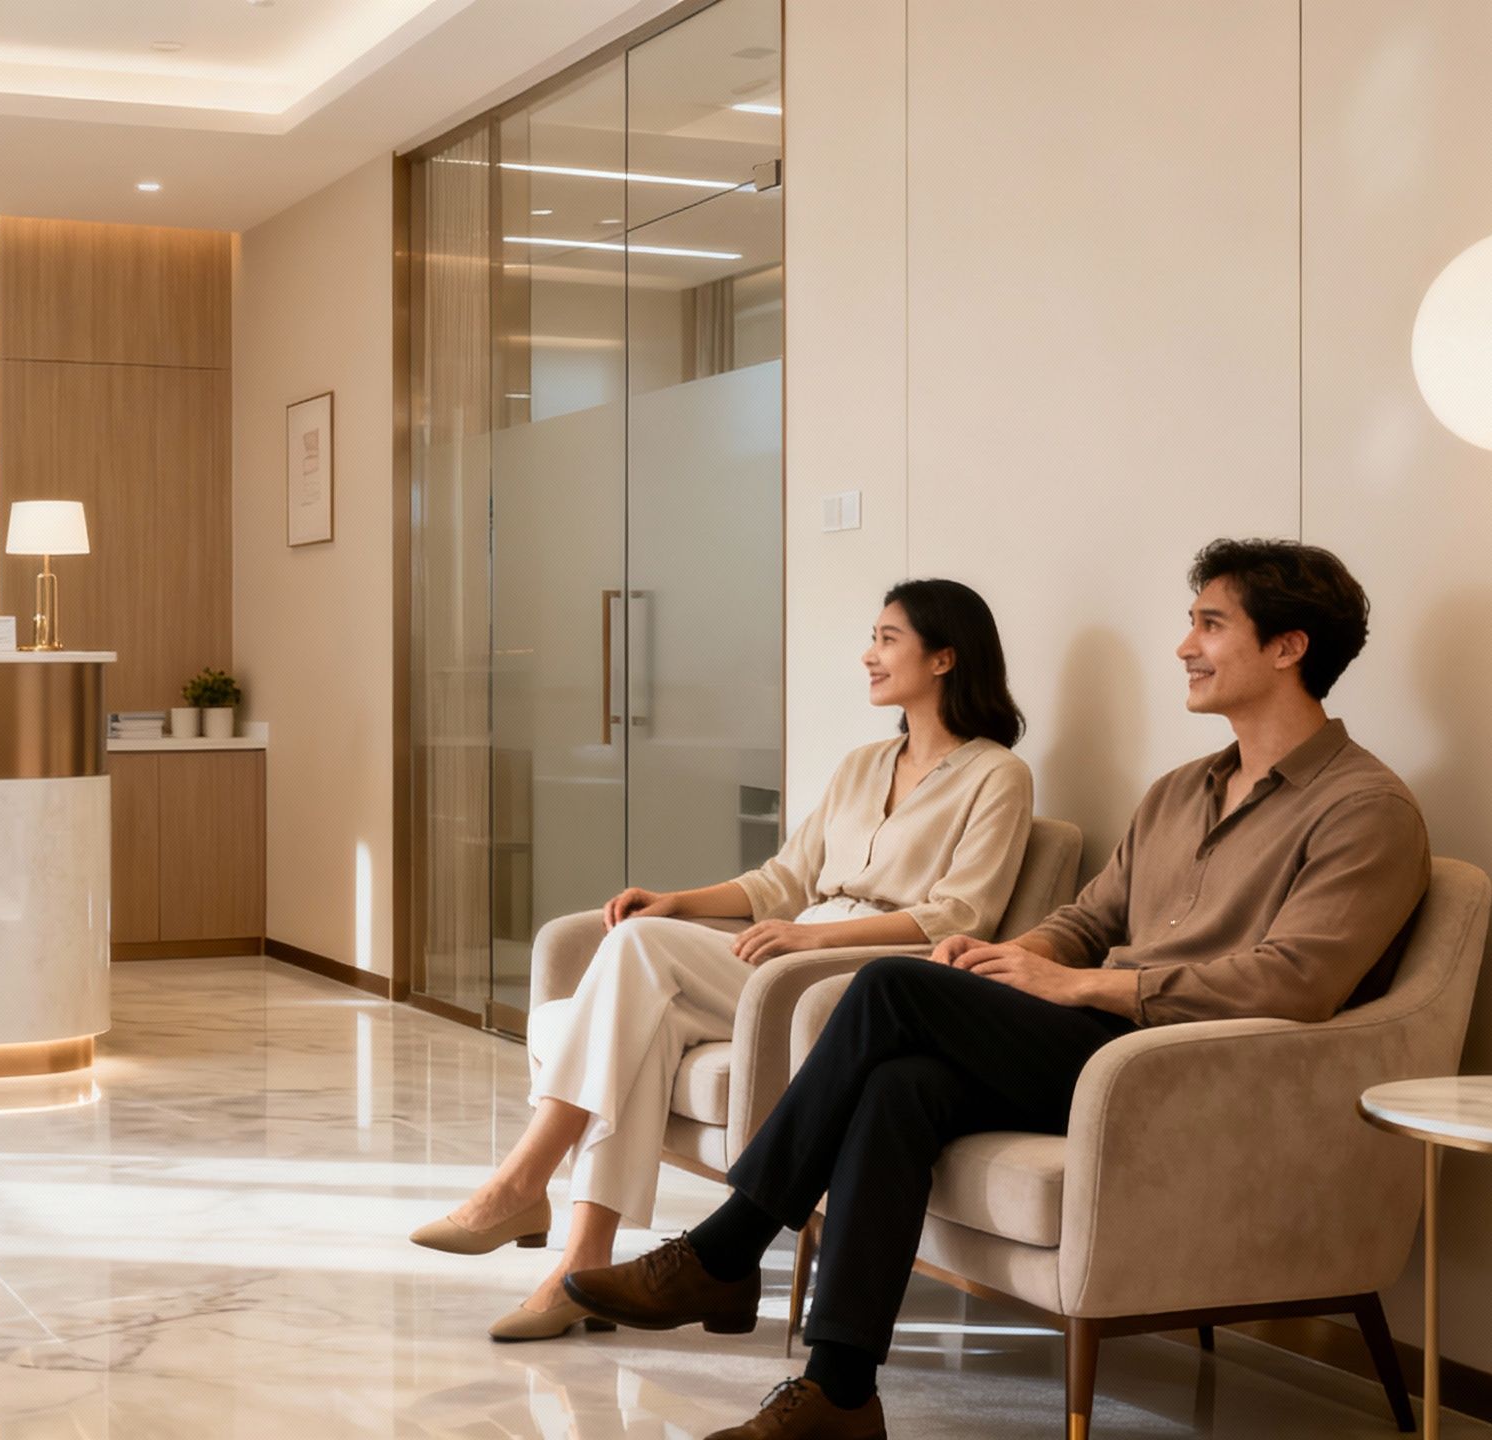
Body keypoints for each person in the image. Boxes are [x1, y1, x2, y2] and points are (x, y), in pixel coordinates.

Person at [563, 539, 1431, 1440]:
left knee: (891, 988)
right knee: (902, 1087)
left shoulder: (1364, 809)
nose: (1184, 646)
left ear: (1289, 647)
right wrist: (1010, 956)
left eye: (1211, 625)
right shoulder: (1180, 791)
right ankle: (841, 1394)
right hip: (1092, 1042)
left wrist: (1081, 985)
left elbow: (1299, 982)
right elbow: (1091, 917)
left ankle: (731, 1244)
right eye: (1191, 623)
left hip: (1178, 1065)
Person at [411, 579, 1036, 1343]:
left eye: (887, 638)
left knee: (635, 954)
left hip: (856, 975)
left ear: (945, 657)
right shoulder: (862, 764)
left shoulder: (997, 775)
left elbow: (961, 916)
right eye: (871, 637)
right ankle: (580, 1262)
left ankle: (521, 1183)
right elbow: (783, 882)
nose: (868, 655)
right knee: (646, 1008)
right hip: (788, 945)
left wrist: (813, 939)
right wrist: (680, 900)